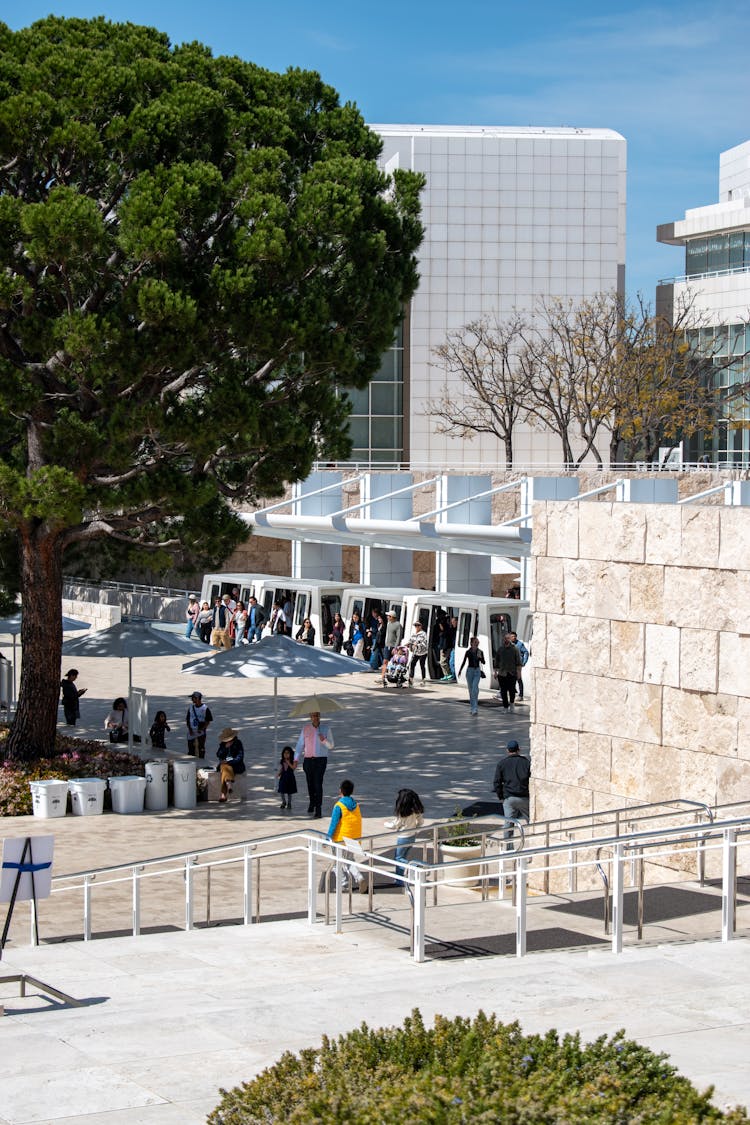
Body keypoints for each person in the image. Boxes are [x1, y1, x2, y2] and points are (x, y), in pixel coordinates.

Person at [326, 779, 367, 892]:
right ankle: (359, 877)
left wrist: (328, 837)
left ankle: (343, 884)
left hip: (340, 839)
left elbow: (333, 824)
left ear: (340, 791)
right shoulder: (356, 805)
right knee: (349, 860)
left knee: (336, 863)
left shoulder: (339, 806)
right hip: (354, 838)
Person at [294, 710, 334, 818]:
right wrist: (296, 759)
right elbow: (300, 744)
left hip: (320, 761)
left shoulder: (326, 728)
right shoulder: (305, 729)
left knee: (318, 783)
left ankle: (318, 808)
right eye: (312, 716)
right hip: (308, 761)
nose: (315, 718)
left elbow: (331, 746)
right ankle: (312, 802)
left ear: (319, 716)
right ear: (310, 717)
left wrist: (324, 740)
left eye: (316, 715)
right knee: (310, 784)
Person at [493, 740, 531, 836]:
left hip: (509, 798)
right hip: (524, 797)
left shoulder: (502, 763)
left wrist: (501, 797)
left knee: (508, 824)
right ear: (519, 749)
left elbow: (497, 782)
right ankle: (536, 840)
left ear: (507, 750)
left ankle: (508, 848)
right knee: (532, 821)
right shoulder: (526, 762)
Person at [384, 788, 424, 879]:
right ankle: (399, 878)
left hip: (403, 837)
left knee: (398, 858)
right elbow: (421, 822)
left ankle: (413, 867)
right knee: (402, 857)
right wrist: (416, 829)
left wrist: (385, 824)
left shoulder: (403, 813)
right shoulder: (416, 811)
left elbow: (395, 825)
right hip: (412, 836)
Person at [216, 727, 245, 802]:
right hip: (225, 765)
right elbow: (218, 754)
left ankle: (223, 794)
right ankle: (228, 783)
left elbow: (240, 757)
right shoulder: (223, 744)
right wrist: (225, 748)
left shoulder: (238, 743)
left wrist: (229, 762)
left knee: (225, 767)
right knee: (224, 767)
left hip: (236, 765)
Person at [494, 631, 522, 712]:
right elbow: (496, 661)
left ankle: (512, 703)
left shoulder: (515, 649)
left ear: (510, 639)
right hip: (502, 674)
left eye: (508, 638)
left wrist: (519, 673)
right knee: (503, 691)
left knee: (512, 690)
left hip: (512, 673)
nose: (506, 640)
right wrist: (495, 672)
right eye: (505, 638)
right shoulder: (500, 649)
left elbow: (518, 662)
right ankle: (505, 707)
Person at [458, 636, 486, 715]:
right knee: (471, 690)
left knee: (474, 688)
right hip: (469, 671)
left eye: (477, 642)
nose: (477, 644)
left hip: (477, 671)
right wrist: (460, 670)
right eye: (475, 642)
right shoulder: (468, 652)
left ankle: (475, 708)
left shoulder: (480, 652)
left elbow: (483, 662)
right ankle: (472, 707)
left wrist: (480, 658)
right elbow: (464, 661)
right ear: (471, 643)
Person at [186, 691, 213, 758]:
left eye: (193, 698)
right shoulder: (191, 708)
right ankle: (191, 759)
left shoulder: (205, 708)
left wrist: (202, 729)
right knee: (191, 747)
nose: (192, 699)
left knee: (201, 747)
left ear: (197, 698)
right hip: (191, 731)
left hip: (200, 731)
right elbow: (187, 719)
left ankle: (201, 760)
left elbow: (208, 721)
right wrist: (190, 729)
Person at [508, 630, 529, 703]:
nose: (513, 638)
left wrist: (524, 662)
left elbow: (526, 652)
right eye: (512, 636)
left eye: (514, 636)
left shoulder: (520, 644)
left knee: (519, 679)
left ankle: (521, 695)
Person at [406, 620, 429, 686]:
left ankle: (423, 679)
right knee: (412, 664)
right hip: (415, 652)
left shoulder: (423, 634)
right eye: (415, 625)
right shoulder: (413, 634)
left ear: (420, 626)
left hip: (422, 652)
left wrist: (417, 644)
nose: (416, 627)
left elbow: (424, 643)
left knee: (422, 665)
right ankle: (411, 679)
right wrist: (407, 644)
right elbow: (410, 641)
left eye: (418, 625)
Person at [277, 745, 298, 810]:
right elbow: (282, 768)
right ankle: (284, 802)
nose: (286, 754)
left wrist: (288, 763)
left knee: (289, 791)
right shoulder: (282, 760)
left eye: (287, 753)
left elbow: (293, 768)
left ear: (290, 754)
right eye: (284, 753)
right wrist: (279, 773)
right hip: (283, 777)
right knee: (281, 790)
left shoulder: (292, 760)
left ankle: (289, 803)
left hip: (290, 777)